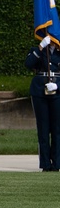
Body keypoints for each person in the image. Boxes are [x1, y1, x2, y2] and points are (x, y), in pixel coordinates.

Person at [25, 37, 60, 171]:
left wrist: (57, 85)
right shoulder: (37, 50)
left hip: (57, 92)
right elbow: (28, 64)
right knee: (43, 129)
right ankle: (45, 163)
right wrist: (40, 47)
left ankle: (57, 163)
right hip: (40, 92)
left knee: (57, 129)